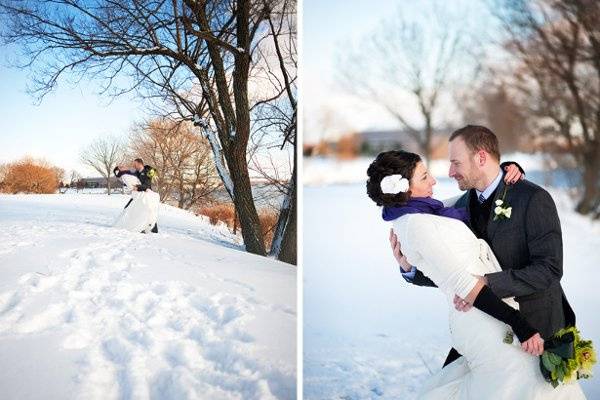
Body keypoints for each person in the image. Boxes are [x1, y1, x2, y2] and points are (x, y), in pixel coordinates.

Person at [366, 148, 584, 398]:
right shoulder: (415, 224)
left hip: (489, 314)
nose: (435, 180)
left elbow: (474, 201)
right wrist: (520, 324)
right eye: (425, 176)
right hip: (483, 315)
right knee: (517, 384)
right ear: (404, 188)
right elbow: (462, 283)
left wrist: (500, 174)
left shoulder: (424, 211)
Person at [389, 126, 576, 367]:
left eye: (456, 163)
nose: (450, 172)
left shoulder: (532, 198)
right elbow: (453, 273)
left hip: (538, 329)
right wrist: (410, 268)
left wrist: (485, 282)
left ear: (480, 158)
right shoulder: (459, 207)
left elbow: (549, 269)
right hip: (487, 326)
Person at [114, 158, 159, 233]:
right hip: (138, 194)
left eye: (135, 164)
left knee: (148, 211)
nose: (134, 165)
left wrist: (137, 187)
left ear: (139, 163)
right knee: (130, 208)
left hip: (146, 195)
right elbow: (124, 174)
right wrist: (119, 169)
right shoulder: (137, 172)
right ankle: (135, 226)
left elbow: (147, 185)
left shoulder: (147, 172)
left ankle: (152, 229)